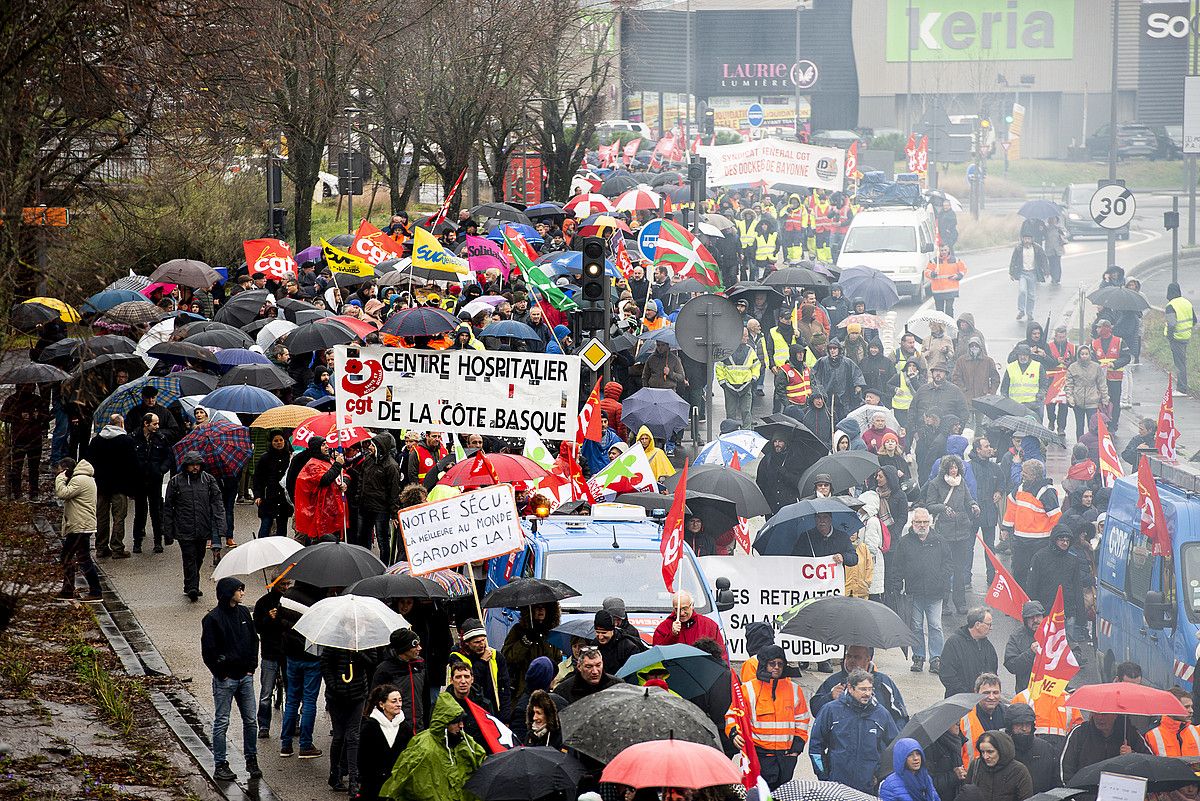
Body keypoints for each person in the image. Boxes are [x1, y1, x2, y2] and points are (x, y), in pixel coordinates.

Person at [200, 577, 261, 782]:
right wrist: (221, 673)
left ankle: (251, 759)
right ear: (229, 593)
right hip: (226, 680)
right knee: (222, 722)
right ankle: (220, 763)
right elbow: (209, 651)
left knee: (251, 721)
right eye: (239, 590)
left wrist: (251, 667)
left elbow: (253, 639)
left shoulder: (244, 613)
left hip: (245, 676)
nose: (242, 593)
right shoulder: (213, 619)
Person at [725, 645, 811, 790]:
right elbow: (733, 715)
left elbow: (802, 719)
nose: (776, 667)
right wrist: (734, 733)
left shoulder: (794, 689)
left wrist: (797, 747)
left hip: (786, 757)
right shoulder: (748, 689)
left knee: (782, 795)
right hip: (760, 756)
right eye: (772, 664)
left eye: (780, 664)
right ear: (764, 664)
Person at [379, 692, 486, 801]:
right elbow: (405, 780)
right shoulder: (424, 749)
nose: (461, 725)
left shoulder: (465, 741)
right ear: (445, 724)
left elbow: (483, 762)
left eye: (461, 721)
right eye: (456, 722)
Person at [809, 668, 900, 793]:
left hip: (868, 788)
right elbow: (815, 746)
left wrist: (880, 776)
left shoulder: (881, 714)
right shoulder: (830, 710)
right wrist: (824, 777)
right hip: (836, 787)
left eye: (870, 689)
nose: (867, 693)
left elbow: (896, 747)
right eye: (863, 689)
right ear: (850, 688)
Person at [893, 508, 950, 674]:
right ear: (913, 523)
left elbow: (948, 563)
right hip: (914, 592)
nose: (922, 525)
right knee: (916, 626)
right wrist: (897, 586)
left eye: (925, 522)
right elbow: (897, 566)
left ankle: (936, 658)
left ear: (930, 522)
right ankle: (918, 657)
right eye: (919, 522)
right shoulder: (904, 542)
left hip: (935, 592)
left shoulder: (940, 540)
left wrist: (942, 579)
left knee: (935, 626)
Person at [163, 451, 225, 602]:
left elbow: (217, 503)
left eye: (197, 465)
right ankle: (193, 586)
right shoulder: (176, 482)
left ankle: (190, 582)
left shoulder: (208, 480)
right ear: (186, 466)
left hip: (203, 526)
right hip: (184, 526)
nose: (195, 468)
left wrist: (221, 526)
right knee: (189, 556)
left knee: (199, 556)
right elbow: (168, 507)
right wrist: (168, 531)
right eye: (192, 465)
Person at [810, 645, 908, 729]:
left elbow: (900, 716)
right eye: (849, 656)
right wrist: (829, 697)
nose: (851, 660)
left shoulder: (883, 682)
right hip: (842, 748)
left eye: (857, 657)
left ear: (868, 659)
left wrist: (893, 744)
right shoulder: (834, 681)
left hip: (877, 748)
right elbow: (815, 711)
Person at [1002, 459, 1061, 587]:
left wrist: (1054, 538)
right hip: (1020, 540)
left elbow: (1055, 518)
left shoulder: (1046, 492)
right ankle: (1021, 601)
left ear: (1034, 475)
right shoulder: (1020, 488)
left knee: (1039, 574)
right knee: (1019, 572)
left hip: (1040, 542)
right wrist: (1006, 528)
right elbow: (1011, 507)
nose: (1022, 474)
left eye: (1025, 473)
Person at [320, 641, 370, 792]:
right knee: (339, 736)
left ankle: (353, 780)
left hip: (358, 694)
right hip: (336, 696)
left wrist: (357, 653)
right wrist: (333, 685)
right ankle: (335, 775)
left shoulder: (365, 641)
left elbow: (371, 662)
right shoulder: (334, 641)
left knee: (353, 736)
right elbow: (325, 664)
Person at [1028, 526, 1090, 643]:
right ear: (1054, 540)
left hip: (1068, 612)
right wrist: (1032, 612)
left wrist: (1081, 617)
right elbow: (1032, 586)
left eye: (1067, 540)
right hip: (1046, 612)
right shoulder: (1039, 557)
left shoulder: (1073, 560)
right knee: (1046, 645)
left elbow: (1077, 588)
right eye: (1061, 539)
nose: (1065, 543)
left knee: (1068, 647)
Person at [88, 413, 138, 559]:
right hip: (120, 486)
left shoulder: (97, 440)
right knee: (119, 517)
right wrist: (133, 488)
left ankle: (101, 547)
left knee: (101, 517)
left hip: (101, 485)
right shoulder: (126, 441)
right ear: (121, 424)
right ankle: (117, 547)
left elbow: (89, 461)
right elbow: (133, 465)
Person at [53, 458, 103, 601]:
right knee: (80, 557)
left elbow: (62, 493)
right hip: (82, 524)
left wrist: (60, 478)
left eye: (59, 470)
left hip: (79, 526)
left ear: (65, 469)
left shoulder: (79, 480)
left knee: (74, 557)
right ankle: (71, 589)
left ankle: (93, 591)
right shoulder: (85, 478)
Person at [1059, 710, 1151, 784]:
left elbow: (1149, 764)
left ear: (1115, 714)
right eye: (1096, 713)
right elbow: (1065, 768)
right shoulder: (1079, 733)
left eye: (1104, 714)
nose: (1099, 718)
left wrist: (1132, 756)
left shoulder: (1130, 734)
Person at [357, 684, 414, 801]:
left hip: (398, 785)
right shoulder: (369, 727)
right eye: (394, 701)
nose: (399, 704)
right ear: (381, 704)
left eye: (400, 700)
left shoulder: (405, 727)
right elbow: (363, 760)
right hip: (373, 787)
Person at [449, 618, 512, 723]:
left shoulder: (496, 656)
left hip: (494, 710)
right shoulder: (456, 657)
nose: (482, 645)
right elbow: (470, 683)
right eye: (477, 642)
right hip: (470, 711)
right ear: (467, 643)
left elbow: (504, 687)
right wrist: (482, 662)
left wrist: (506, 718)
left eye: (483, 640)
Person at [130, 412, 173, 553]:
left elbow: (168, 456)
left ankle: (158, 542)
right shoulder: (134, 438)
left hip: (155, 479)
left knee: (156, 512)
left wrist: (161, 470)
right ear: (146, 424)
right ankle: (137, 542)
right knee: (140, 512)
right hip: (139, 480)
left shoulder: (161, 439)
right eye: (154, 423)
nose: (157, 426)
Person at [252, 575, 288, 740]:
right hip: (270, 652)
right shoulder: (263, 603)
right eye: (283, 584)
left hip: (287, 651)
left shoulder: (289, 602)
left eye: (288, 584)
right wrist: (268, 617)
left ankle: (292, 723)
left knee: (291, 691)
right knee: (266, 692)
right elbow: (257, 627)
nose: (286, 587)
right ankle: (264, 725)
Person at [292, 436, 347, 544]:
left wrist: (344, 483)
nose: (327, 446)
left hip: (332, 512)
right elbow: (325, 480)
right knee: (322, 543)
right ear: (316, 448)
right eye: (323, 445)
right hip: (319, 514)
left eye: (326, 444)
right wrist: (338, 464)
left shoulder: (329, 461)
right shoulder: (313, 464)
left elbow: (343, 475)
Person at [501, 602, 561, 699]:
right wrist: (526, 641)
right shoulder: (518, 630)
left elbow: (558, 660)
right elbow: (508, 657)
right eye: (537, 607)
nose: (540, 610)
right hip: (523, 690)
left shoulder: (552, 632)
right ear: (529, 610)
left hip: (546, 690)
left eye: (544, 607)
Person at [357, 433, 402, 560]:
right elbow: (361, 479)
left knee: (382, 540)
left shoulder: (391, 466)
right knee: (362, 537)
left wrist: (394, 513)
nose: (369, 447)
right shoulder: (368, 460)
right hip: (365, 506)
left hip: (381, 509)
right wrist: (358, 498)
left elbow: (394, 491)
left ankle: (383, 566)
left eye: (372, 445)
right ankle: (364, 562)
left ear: (380, 447)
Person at [371, 628, 426, 732]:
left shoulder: (420, 664)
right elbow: (375, 699)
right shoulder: (384, 669)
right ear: (404, 648)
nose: (420, 648)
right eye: (415, 645)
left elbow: (424, 695)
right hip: (395, 727)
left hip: (418, 726)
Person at [1, 383, 49, 499]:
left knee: (33, 468)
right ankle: (17, 492)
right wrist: (18, 417)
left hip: (34, 438)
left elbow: (45, 417)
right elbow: (3, 415)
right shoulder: (13, 400)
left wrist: (37, 418)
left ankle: (33, 493)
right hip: (19, 438)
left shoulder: (37, 400)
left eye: (31, 386)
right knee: (17, 467)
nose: (29, 388)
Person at [939, 608, 998, 698]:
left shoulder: (988, 646)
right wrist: (966, 694)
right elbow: (947, 674)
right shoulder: (954, 643)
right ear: (977, 624)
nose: (991, 628)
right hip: (959, 700)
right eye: (988, 624)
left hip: (982, 699)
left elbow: (993, 673)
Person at [1006, 702, 1060, 794]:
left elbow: (1055, 780)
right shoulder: (1003, 749)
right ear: (1010, 726)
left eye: (1027, 724)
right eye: (1019, 724)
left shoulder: (1046, 748)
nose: (1024, 728)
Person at [715, 327, 761, 428]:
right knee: (731, 413)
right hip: (730, 386)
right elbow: (719, 366)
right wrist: (722, 382)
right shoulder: (726, 350)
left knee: (746, 411)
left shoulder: (749, 350)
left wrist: (753, 378)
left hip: (746, 385)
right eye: (745, 336)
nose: (747, 338)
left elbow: (756, 365)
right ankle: (731, 432)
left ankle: (747, 432)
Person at [967, 731, 1032, 801]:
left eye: (990, 752)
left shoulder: (1018, 770)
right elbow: (966, 794)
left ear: (1002, 750)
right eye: (982, 752)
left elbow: (1026, 798)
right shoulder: (976, 766)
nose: (985, 757)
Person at [653, 591, 726, 652]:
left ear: (692, 606)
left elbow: (721, 655)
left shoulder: (709, 625)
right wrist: (672, 636)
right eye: (677, 609)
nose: (681, 613)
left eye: (685, 608)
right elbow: (658, 655)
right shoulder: (663, 628)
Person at [252, 430, 293, 538]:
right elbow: (257, 478)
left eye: (281, 440)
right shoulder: (264, 458)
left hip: (284, 498)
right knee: (266, 524)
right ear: (271, 442)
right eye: (275, 441)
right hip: (268, 496)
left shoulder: (289, 457)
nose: (278, 443)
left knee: (282, 526)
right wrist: (257, 495)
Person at [959, 674, 1006, 768]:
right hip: (972, 774)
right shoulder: (963, 718)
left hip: (1001, 772)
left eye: (995, 692)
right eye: (986, 693)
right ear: (976, 693)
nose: (991, 697)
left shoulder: (1008, 714)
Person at [1092, 318, 1131, 428]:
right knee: (1100, 401)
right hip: (1099, 379)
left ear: (1106, 328)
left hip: (1115, 378)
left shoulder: (1119, 341)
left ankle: (1113, 424)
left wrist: (1114, 364)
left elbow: (1127, 357)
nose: (1097, 329)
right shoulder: (1094, 343)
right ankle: (1102, 423)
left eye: (1099, 327)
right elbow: (1092, 358)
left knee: (1114, 402)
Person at [1064, 345, 1108, 441]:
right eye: (1082, 354)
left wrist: (1105, 398)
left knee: (1092, 426)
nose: (1084, 356)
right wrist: (1070, 398)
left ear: (1089, 355)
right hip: (1078, 401)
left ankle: (1092, 445)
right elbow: (1069, 384)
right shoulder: (1072, 367)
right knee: (1079, 426)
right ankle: (1079, 445)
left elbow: (1102, 384)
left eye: (1086, 354)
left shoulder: (1096, 367)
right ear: (1079, 355)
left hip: (1092, 401)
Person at [555, 644, 621, 706]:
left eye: (598, 665)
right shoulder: (563, 691)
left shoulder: (617, 686)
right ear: (579, 667)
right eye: (589, 667)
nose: (595, 671)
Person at [788, 511, 860, 567]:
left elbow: (854, 559)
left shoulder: (842, 536)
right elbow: (795, 558)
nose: (822, 521)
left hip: (835, 583)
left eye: (825, 517)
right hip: (812, 581)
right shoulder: (806, 536)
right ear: (815, 520)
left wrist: (843, 557)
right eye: (818, 517)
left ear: (830, 519)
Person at [1002, 602, 1045, 693]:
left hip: (1053, 690)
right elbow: (1011, 665)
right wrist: (1030, 653)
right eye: (1031, 617)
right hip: (1027, 691)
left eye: (1038, 616)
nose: (1035, 620)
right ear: (1025, 620)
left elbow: (1074, 654)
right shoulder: (1017, 637)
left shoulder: (1054, 632)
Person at [1144, 688, 1200, 756]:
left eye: (1191, 706)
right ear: (1171, 708)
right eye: (1186, 707)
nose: (1191, 710)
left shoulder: (1197, 731)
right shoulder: (1152, 735)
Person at [592, 609, 645, 676]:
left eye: (604, 633)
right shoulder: (594, 644)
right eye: (597, 632)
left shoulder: (628, 647)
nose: (600, 637)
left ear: (612, 630)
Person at [1008, 233, 1047, 322]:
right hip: (1022, 273)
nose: (1027, 241)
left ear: (1032, 239)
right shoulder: (1018, 248)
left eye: (1029, 239)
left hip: (1032, 273)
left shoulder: (1037, 248)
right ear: (1022, 239)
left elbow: (1043, 259)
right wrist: (1011, 272)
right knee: (1022, 291)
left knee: (1031, 295)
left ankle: (1029, 312)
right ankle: (1021, 310)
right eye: (1025, 239)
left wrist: (1046, 270)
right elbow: (1013, 260)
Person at [1164, 282, 1195, 394]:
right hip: (1186, 337)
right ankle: (1183, 385)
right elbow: (1194, 320)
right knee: (1182, 362)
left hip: (1176, 338)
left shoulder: (1171, 306)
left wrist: (1170, 336)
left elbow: (1171, 324)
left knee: (1179, 364)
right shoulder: (1187, 303)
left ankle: (1181, 388)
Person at [926, 244, 966, 317]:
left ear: (948, 250)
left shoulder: (955, 260)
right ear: (939, 251)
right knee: (939, 311)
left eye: (945, 250)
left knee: (949, 309)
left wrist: (958, 275)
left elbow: (963, 269)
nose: (944, 252)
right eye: (942, 250)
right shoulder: (934, 261)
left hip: (951, 290)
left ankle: (950, 324)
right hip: (938, 291)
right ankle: (940, 326)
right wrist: (933, 274)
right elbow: (927, 272)